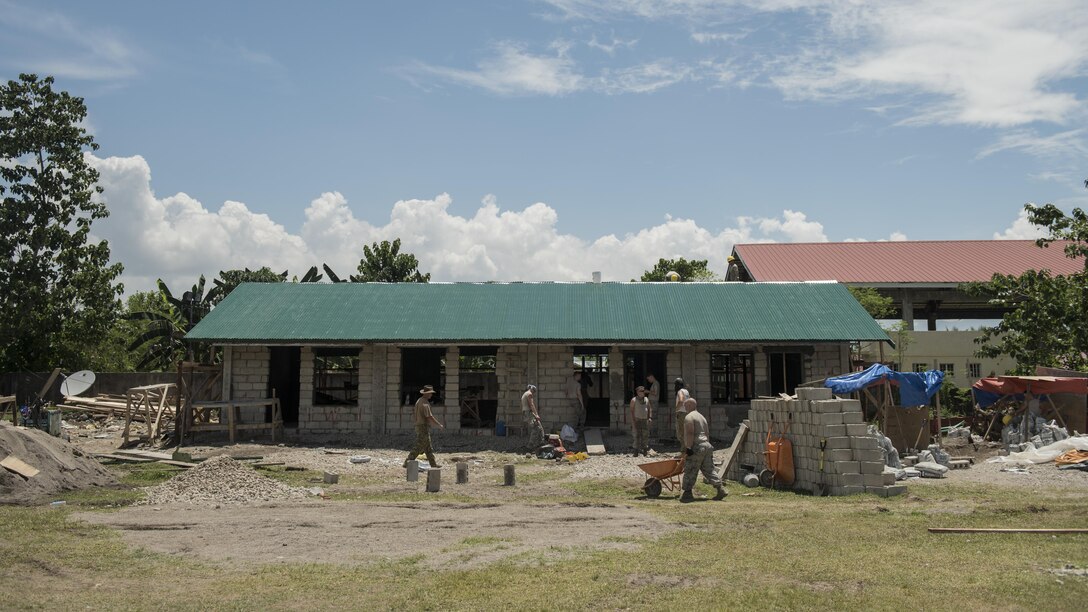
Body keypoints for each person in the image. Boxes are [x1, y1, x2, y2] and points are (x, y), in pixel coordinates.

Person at [680, 397, 727, 502]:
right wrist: (707, 447)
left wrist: (688, 447)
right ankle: (720, 489)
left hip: (696, 445)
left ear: (690, 405)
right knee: (709, 469)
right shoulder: (702, 417)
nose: (685, 407)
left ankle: (687, 493)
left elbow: (690, 433)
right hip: (706, 445)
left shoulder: (689, 417)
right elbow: (707, 434)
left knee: (691, 469)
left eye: (686, 405)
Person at [404, 384, 444, 468]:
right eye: (430, 393)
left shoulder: (419, 401)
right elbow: (429, 416)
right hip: (423, 426)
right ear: (426, 394)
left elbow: (414, 414)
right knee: (419, 446)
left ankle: (433, 464)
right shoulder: (425, 403)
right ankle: (407, 462)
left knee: (428, 448)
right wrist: (438, 425)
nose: (431, 395)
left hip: (419, 425)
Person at [629, 386, 652, 457]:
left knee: (645, 435)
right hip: (637, 419)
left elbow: (649, 408)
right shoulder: (634, 400)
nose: (642, 392)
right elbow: (632, 411)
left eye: (643, 391)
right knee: (636, 435)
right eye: (641, 391)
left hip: (645, 420)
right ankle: (636, 451)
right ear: (637, 392)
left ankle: (645, 451)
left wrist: (650, 417)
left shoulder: (646, 399)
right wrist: (633, 420)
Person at [522, 384, 545, 450]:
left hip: (527, 413)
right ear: (532, 390)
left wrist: (534, 415)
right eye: (534, 392)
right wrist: (536, 415)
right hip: (528, 413)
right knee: (536, 428)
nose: (533, 394)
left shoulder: (525, 394)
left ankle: (541, 443)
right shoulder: (529, 394)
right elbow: (531, 405)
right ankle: (530, 445)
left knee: (540, 427)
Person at [674, 377, 690, 444]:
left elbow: (681, 400)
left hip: (681, 414)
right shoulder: (686, 391)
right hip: (687, 413)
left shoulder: (680, 391)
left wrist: (676, 409)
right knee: (686, 432)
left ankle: (684, 450)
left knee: (681, 432)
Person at [646, 373, 660, 437]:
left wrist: (648, 391)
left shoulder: (656, 383)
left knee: (653, 418)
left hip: (654, 403)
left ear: (651, 377)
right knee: (651, 418)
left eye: (649, 379)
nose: (649, 381)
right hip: (652, 403)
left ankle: (654, 434)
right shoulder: (654, 384)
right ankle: (652, 433)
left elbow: (655, 393)